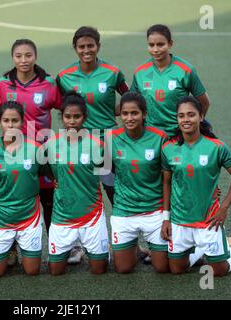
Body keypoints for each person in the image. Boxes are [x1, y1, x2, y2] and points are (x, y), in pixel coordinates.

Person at [56, 26, 129, 263]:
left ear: (98, 46)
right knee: (77, 190)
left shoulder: (112, 72)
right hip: (76, 145)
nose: (86, 50)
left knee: (113, 192)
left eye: (91, 45)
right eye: (81, 46)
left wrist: (112, 112)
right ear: (75, 49)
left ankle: (127, 242)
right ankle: (75, 245)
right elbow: (62, 107)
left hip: (105, 143)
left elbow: (129, 100)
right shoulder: (64, 76)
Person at [0, 39, 61, 265]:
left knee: (48, 198)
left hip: (42, 152)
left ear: (35, 56)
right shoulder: (2, 85)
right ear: (12, 58)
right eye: (18, 56)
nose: (23, 60)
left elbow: (66, 109)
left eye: (28, 55)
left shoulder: (48, 83)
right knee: (11, 197)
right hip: (12, 153)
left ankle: (56, 247)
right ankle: (10, 249)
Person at [161, 96, 231, 277]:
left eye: (191, 115)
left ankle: (228, 249)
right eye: (181, 116)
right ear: (177, 119)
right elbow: (166, 182)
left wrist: (224, 207)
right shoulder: (168, 148)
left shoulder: (216, 147)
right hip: (179, 220)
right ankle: (200, 250)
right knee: (176, 270)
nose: (186, 120)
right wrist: (166, 218)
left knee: (219, 272)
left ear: (201, 117)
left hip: (209, 219)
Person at [44, 93, 109, 275]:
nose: (72, 121)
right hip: (62, 216)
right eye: (67, 117)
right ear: (62, 117)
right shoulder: (51, 145)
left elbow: (105, 171)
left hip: (92, 215)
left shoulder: (98, 145)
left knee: (99, 270)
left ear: (84, 117)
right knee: (55, 271)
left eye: (77, 116)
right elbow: (46, 170)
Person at [106, 92, 169, 274]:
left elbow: (168, 179)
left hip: (154, 211)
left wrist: (166, 217)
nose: (129, 118)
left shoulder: (159, 137)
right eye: (125, 113)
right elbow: (104, 170)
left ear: (144, 114)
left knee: (162, 268)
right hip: (124, 211)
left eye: (134, 113)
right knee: (123, 268)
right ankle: (132, 246)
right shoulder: (111, 139)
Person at [0, 101, 45, 277]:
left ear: (23, 122)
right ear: (0, 122)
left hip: (29, 219)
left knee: (32, 272)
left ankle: (20, 246)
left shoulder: (36, 149)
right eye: (6, 120)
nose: (10, 125)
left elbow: (45, 173)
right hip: (1, 220)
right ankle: (10, 249)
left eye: (15, 121)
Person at [131, 24, 210, 137]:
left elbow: (205, 102)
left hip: (178, 136)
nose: (155, 49)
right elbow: (131, 103)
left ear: (170, 44)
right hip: (150, 136)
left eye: (160, 44)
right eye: (151, 45)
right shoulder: (140, 72)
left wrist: (193, 126)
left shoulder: (185, 70)